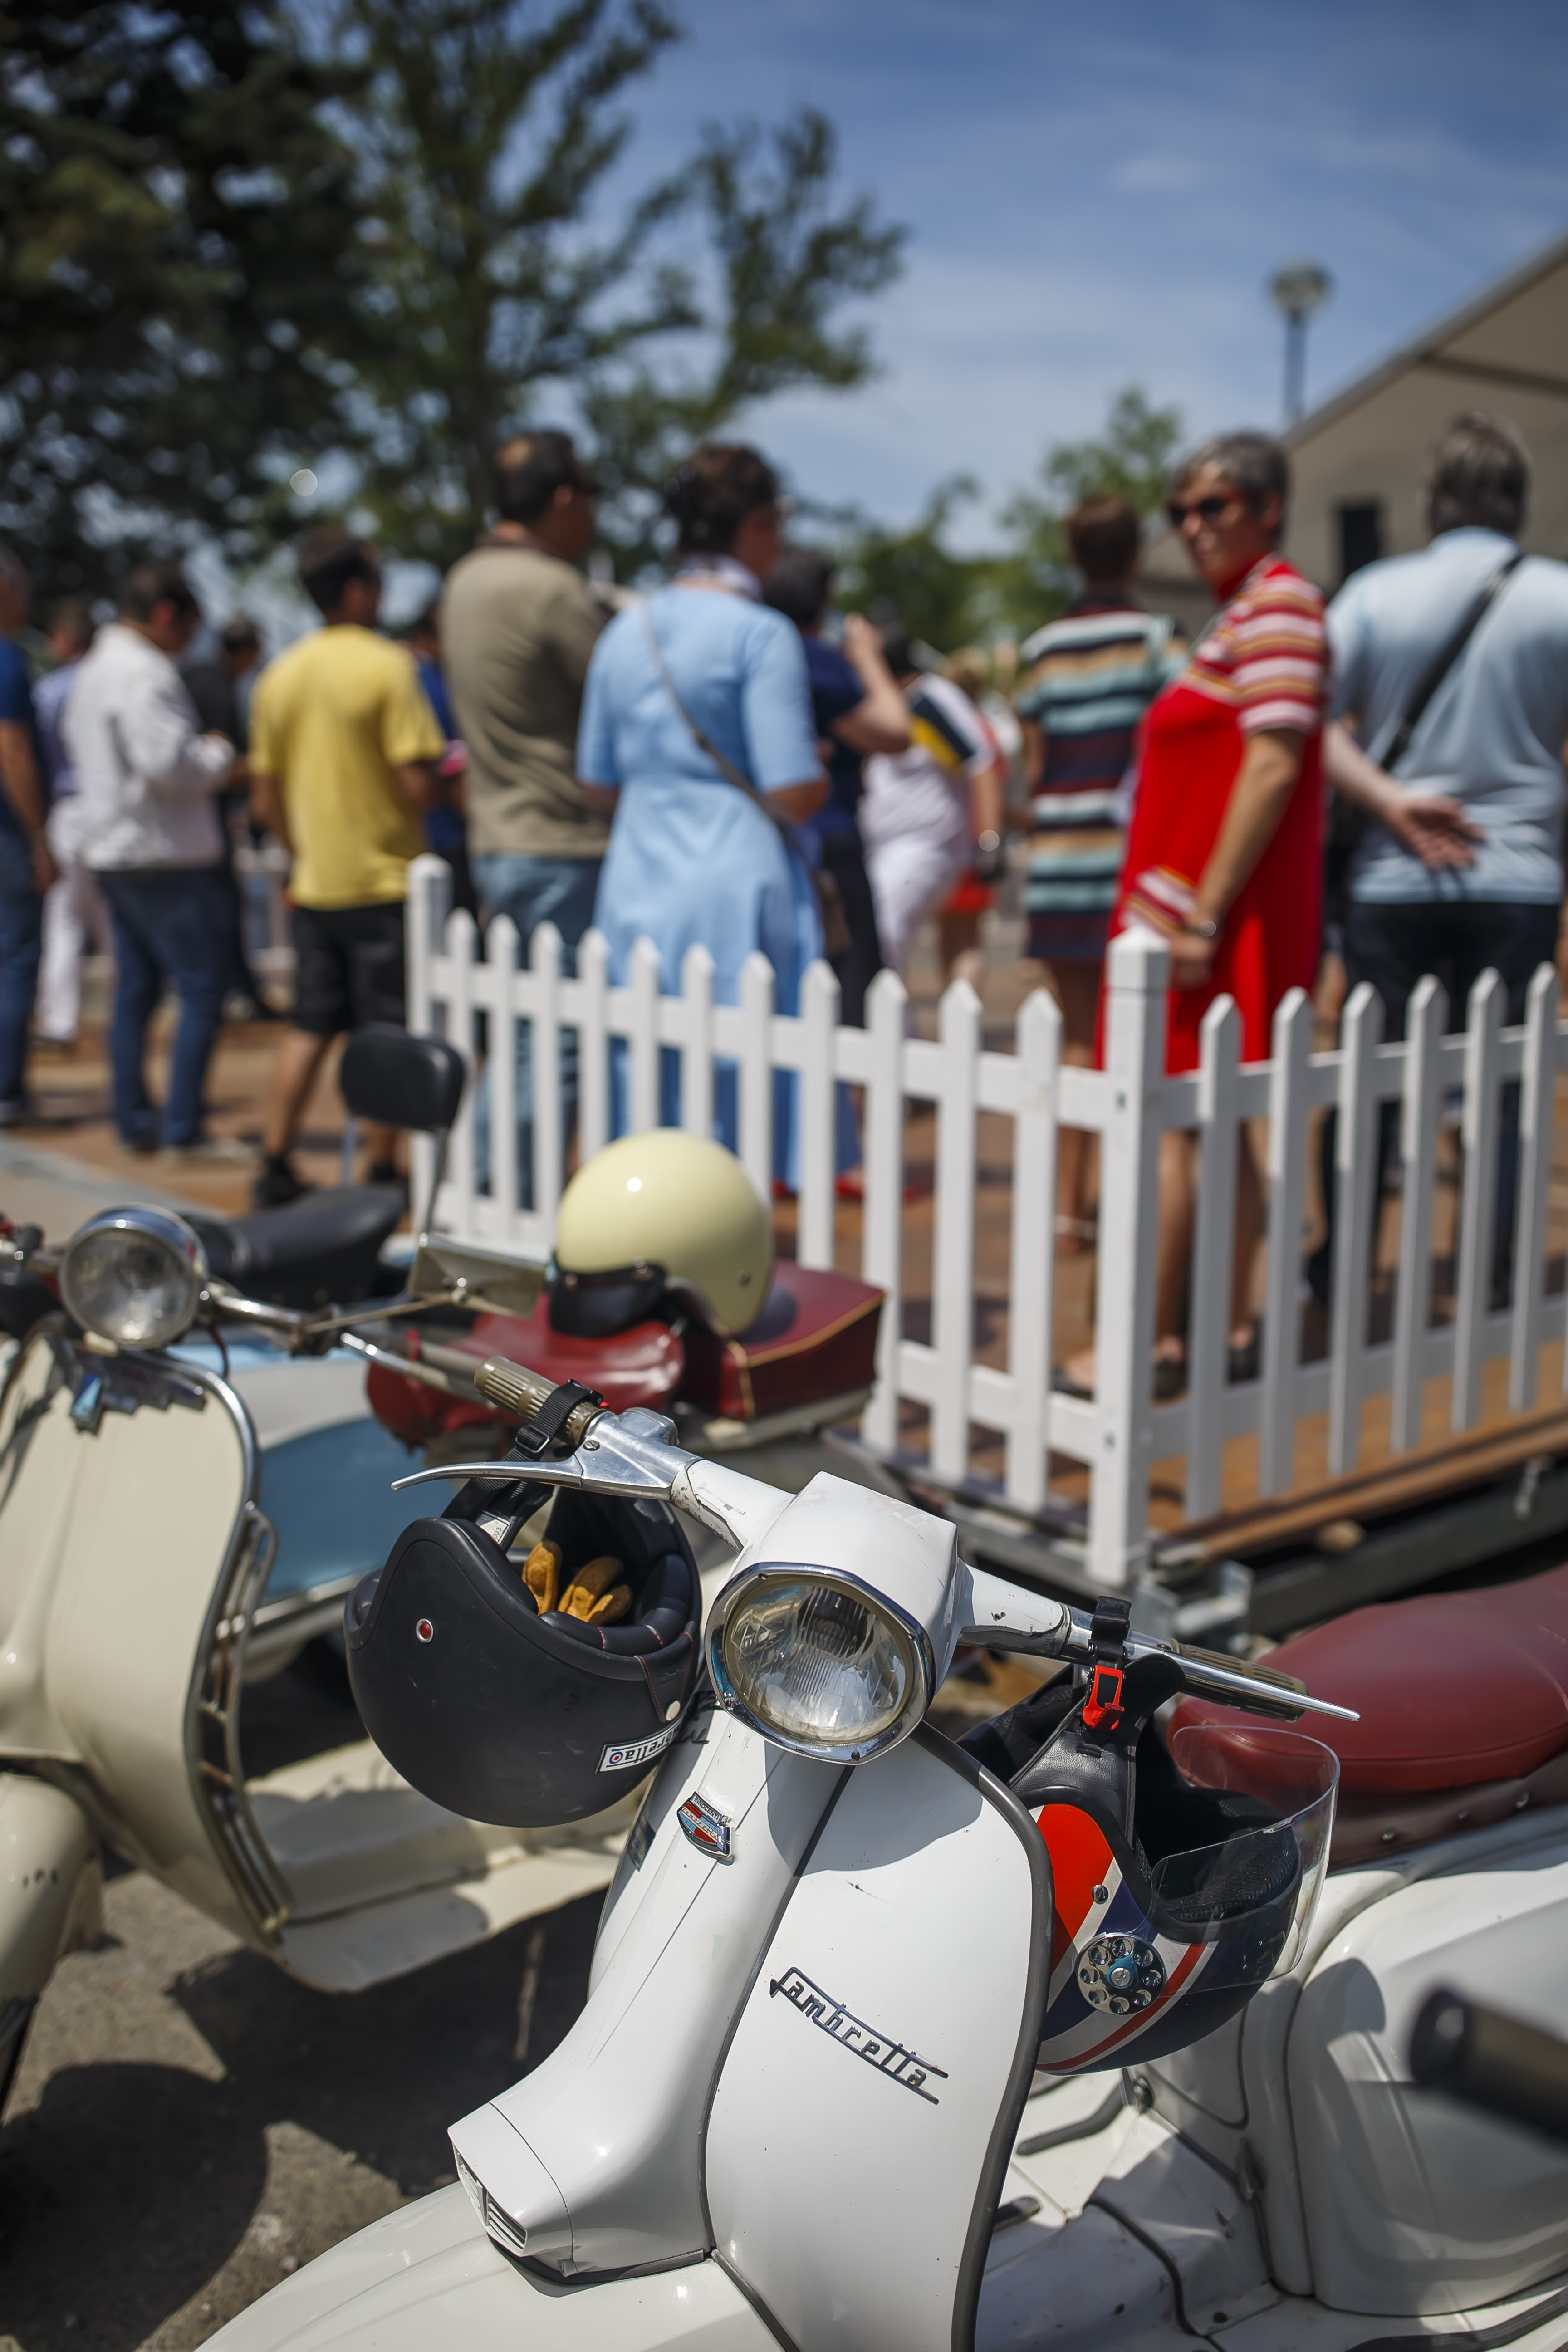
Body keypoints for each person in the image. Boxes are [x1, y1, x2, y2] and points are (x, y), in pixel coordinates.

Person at [1061, 432, 1329, 1398]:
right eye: (1181, 510)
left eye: (1214, 505)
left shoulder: (1279, 603)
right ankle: (1214, 1327)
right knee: (1209, 1125)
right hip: (1198, 919)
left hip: (1207, 924)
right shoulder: (1248, 610)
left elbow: (1275, 760)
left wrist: (1205, 915)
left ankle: (1146, 1342)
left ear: (1267, 506)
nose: (1193, 525)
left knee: (1173, 1125)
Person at [1317, 411, 1568, 1303]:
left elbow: (1310, 721)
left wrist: (1388, 800)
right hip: (1522, 875)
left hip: (1394, 878)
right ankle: (1492, 1271)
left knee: (1372, 1082)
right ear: (1518, 500)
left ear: (1431, 502)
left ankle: (1344, 1268)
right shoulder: (1558, 595)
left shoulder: (1375, 593)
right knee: (1503, 1087)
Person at [576, 442, 825, 1170]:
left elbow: (597, 781)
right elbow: (791, 789)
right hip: (735, 876)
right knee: (741, 1102)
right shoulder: (762, 632)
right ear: (755, 523)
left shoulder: (624, 630)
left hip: (637, 872)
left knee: (646, 1088)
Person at [247, 528, 443, 1205]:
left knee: (309, 1026)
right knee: (386, 1031)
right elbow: (416, 783)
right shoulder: (389, 667)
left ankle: (275, 1159)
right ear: (359, 590)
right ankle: (383, 1169)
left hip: (318, 883)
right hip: (387, 880)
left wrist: (303, 853)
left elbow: (264, 798)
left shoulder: (279, 675)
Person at [1014, 497, 1184, 1250]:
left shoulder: (1041, 650)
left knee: (1076, 1037)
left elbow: (1035, 770)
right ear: (1137, 554)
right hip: (1127, 860)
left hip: (1057, 860)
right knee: (1138, 1037)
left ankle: (1067, 1209)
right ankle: (1133, 1195)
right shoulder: (1155, 640)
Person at [442, 432, 607, 1195]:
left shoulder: (464, 581)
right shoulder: (552, 588)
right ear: (564, 498)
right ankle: (509, 1203)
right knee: (557, 1038)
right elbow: (614, 694)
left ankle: (483, 1194)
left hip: (498, 835)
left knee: (519, 1032)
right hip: (562, 839)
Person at [64, 562, 240, 1161]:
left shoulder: (95, 668)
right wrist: (217, 755)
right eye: (188, 629)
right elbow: (167, 763)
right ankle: (184, 1130)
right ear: (167, 614)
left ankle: (135, 1120)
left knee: (135, 992)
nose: (188, 643)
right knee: (202, 989)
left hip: (118, 849)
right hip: (159, 854)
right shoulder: (142, 671)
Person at [761, 546, 908, 1026]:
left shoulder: (755, 651)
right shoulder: (814, 660)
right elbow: (895, 732)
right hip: (829, 840)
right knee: (852, 992)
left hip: (768, 838)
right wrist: (868, 658)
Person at [858, 624, 1008, 978]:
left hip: (924, 845)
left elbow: (980, 764)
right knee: (878, 946)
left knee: (881, 940)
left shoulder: (928, 699)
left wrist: (990, 842)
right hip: (892, 847)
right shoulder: (898, 701)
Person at [181, 613, 275, 1018]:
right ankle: (235, 993)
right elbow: (224, 762)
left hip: (184, 818)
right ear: (250, 651)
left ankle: (232, 990)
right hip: (209, 818)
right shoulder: (219, 689)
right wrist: (259, 774)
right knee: (223, 909)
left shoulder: (192, 676)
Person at [33, 599, 111, 1054]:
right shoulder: (107, 683)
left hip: (65, 808)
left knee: (63, 920)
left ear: (66, 639)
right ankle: (126, 1014)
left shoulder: (48, 691)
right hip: (107, 809)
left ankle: (59, 1022)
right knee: (114, 918)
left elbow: (39, 760)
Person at [0, 549, 53, 1126]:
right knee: (16, 960)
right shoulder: (7, 662)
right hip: (8, 837)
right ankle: (7, 1091)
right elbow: (12, 752)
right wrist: (39, 836)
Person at [405, 602, 476, 916]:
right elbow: (452, 766)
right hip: (447, 835)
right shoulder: (436, 684)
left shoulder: (412, 678)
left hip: (417, 837)